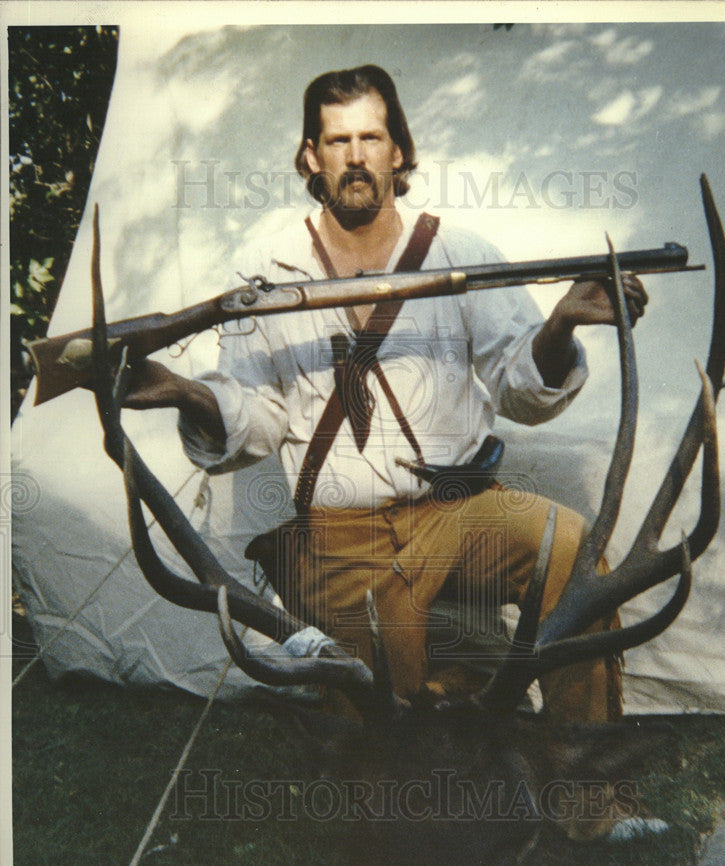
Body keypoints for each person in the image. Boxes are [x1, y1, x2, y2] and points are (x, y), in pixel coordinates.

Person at [122, 64, 648, 724]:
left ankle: (581, 787)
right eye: (336, 141)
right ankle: (439, 692)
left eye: (370, 137)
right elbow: (254, 421)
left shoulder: (457, 250)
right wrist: (180, 391)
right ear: (310, 156)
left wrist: (562, 322)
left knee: (569, 550)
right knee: (388, 730)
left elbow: (521, 389)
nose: (355, 157)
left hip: (456, 512)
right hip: (343, 539)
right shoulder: (269, 266)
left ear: (398, 150)